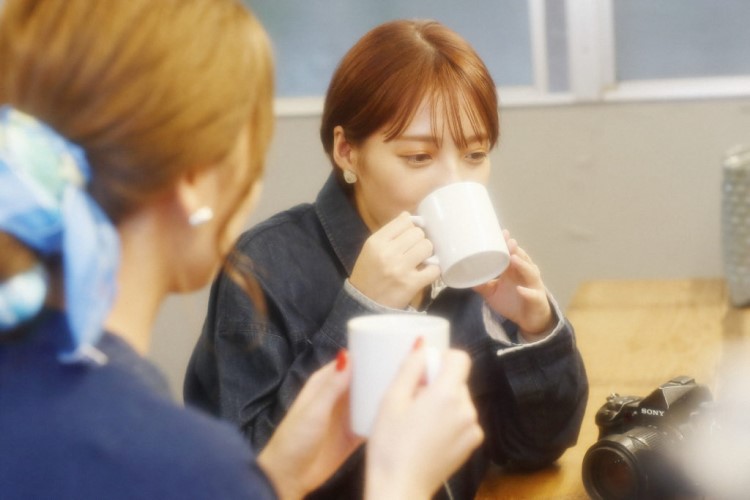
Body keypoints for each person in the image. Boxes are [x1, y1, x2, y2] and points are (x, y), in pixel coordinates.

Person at [0, 2, 484, 499]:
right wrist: (397, 486)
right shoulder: (169, 463)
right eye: (251, 147)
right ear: (194, 180)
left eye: (474, 154)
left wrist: (274, 480)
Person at [185, 18, 589, 500]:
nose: (453, 183)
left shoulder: (467, 273)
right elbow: (248, 482)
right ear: (347, 152)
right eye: (418, 157)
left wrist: (535, 330)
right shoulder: (263, 269)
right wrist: (361, 309)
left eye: (476, 154)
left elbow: (533, 448)